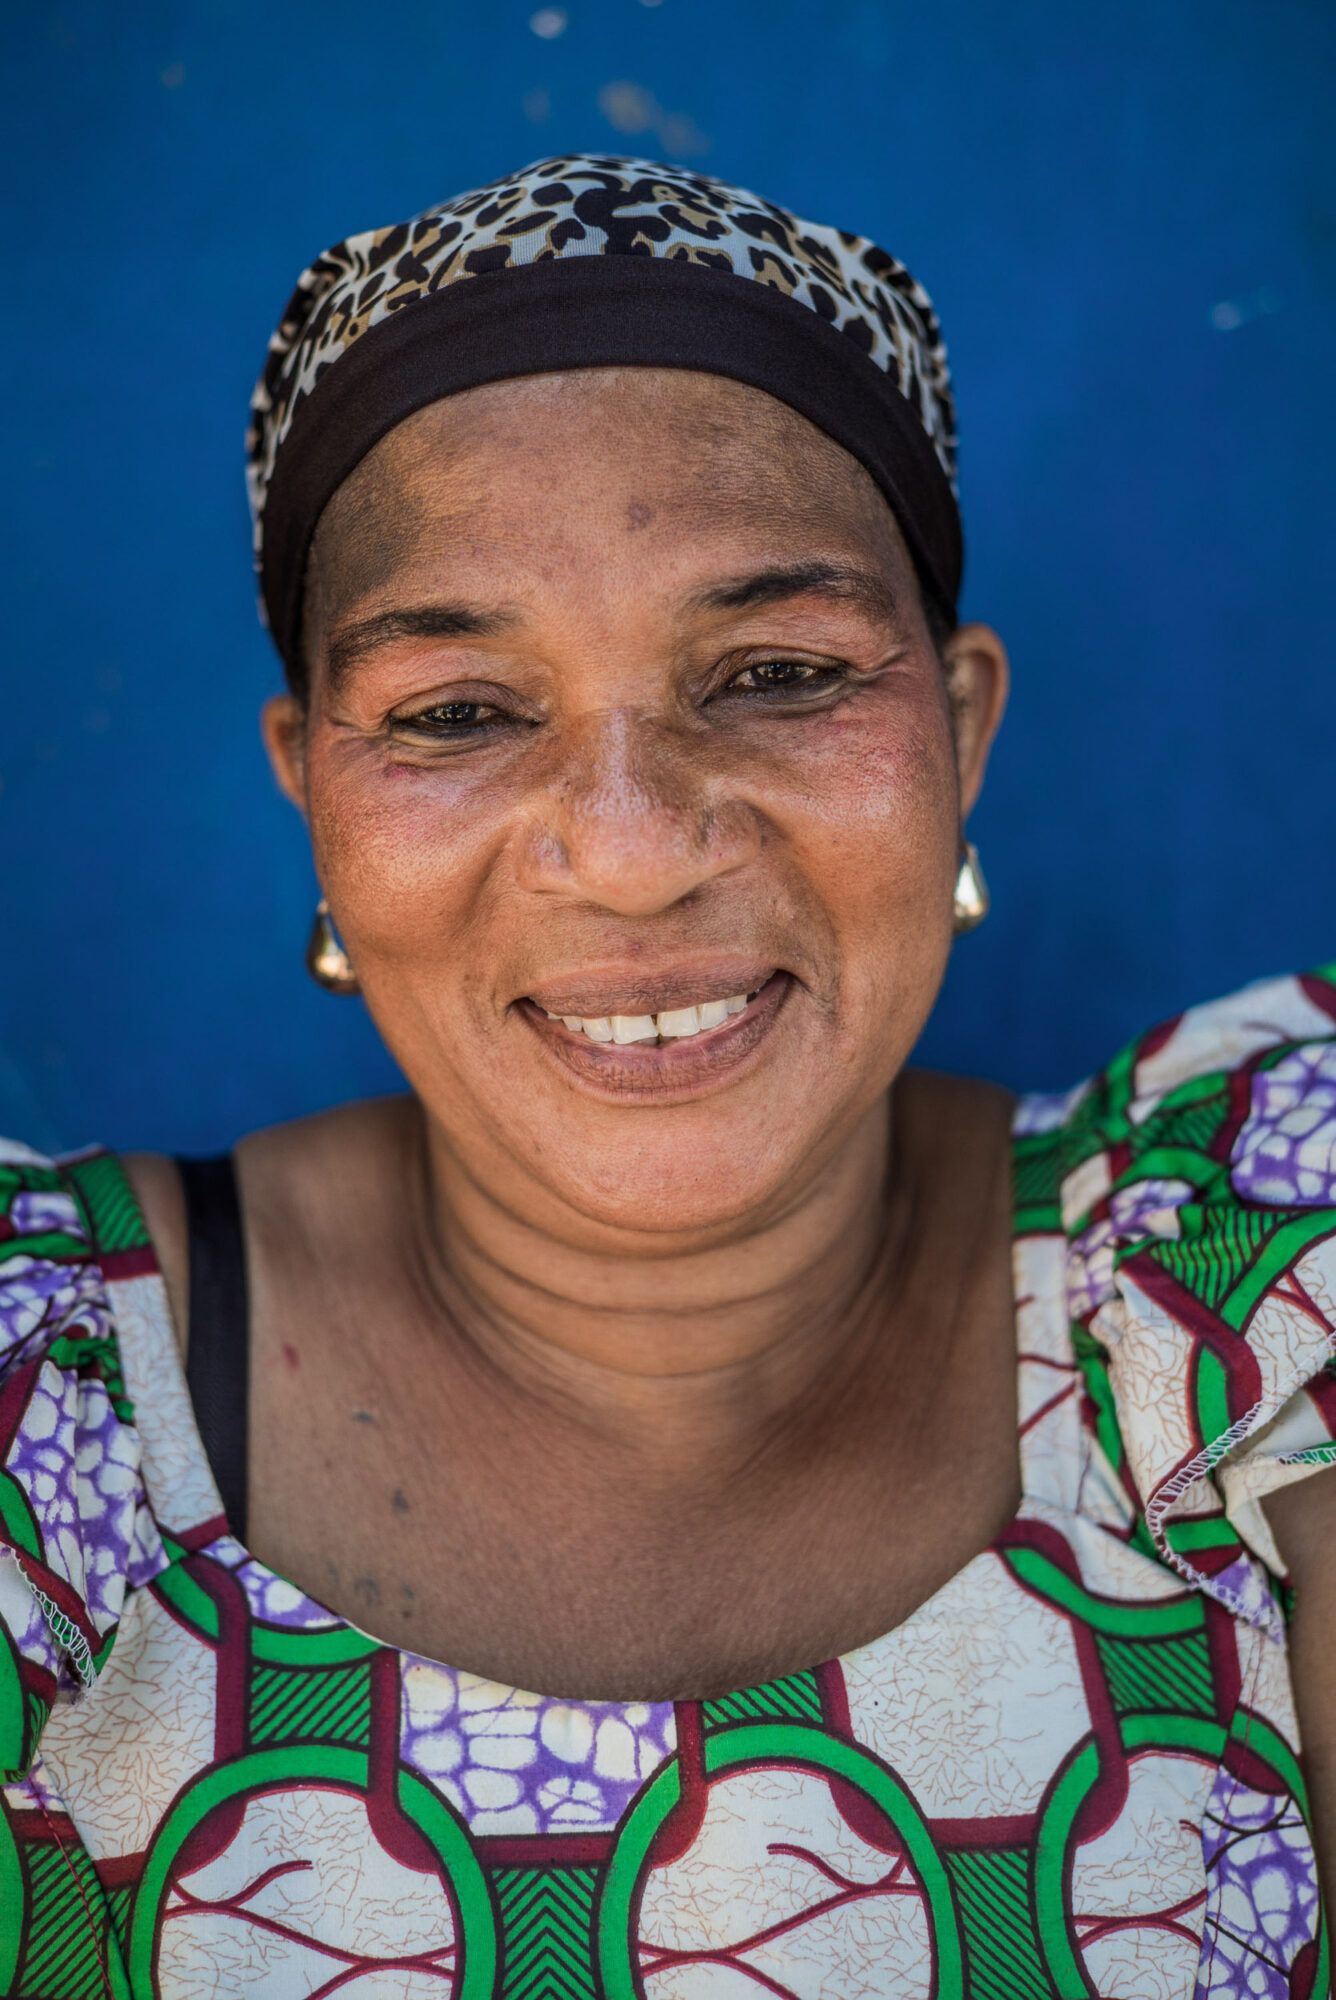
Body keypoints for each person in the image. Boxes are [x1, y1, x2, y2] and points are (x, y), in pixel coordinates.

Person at [1, 154, 1332, 1999]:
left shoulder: (1258, 1277)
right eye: (458, 713)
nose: (631, 849)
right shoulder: (44, 1396)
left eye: (779, 672)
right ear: (310, 786)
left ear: (958, 733)